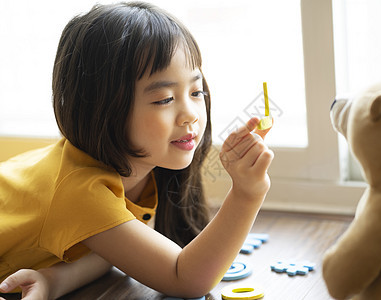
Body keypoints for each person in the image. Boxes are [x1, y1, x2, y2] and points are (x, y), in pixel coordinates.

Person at [0, 2, 273, 299]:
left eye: (196, 92)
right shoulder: (82, 193)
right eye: (164, 99)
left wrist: (53, 280)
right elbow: (186, 279)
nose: (191, 114)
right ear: (101, 109)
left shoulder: (133, 169)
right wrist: (246, 195)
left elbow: (106, 252)